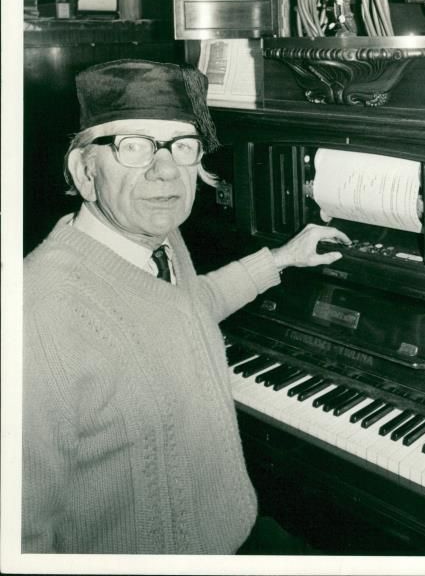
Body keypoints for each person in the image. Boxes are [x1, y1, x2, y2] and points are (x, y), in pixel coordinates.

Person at [22, 59, 348, 555]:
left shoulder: (159, 239)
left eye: (182, 146)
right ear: (84, 171)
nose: (167, 170)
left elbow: (185, 309)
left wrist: (281, 259)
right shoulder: (37, 310)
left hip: (233, 531)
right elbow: (21, 531)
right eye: (134, 147)